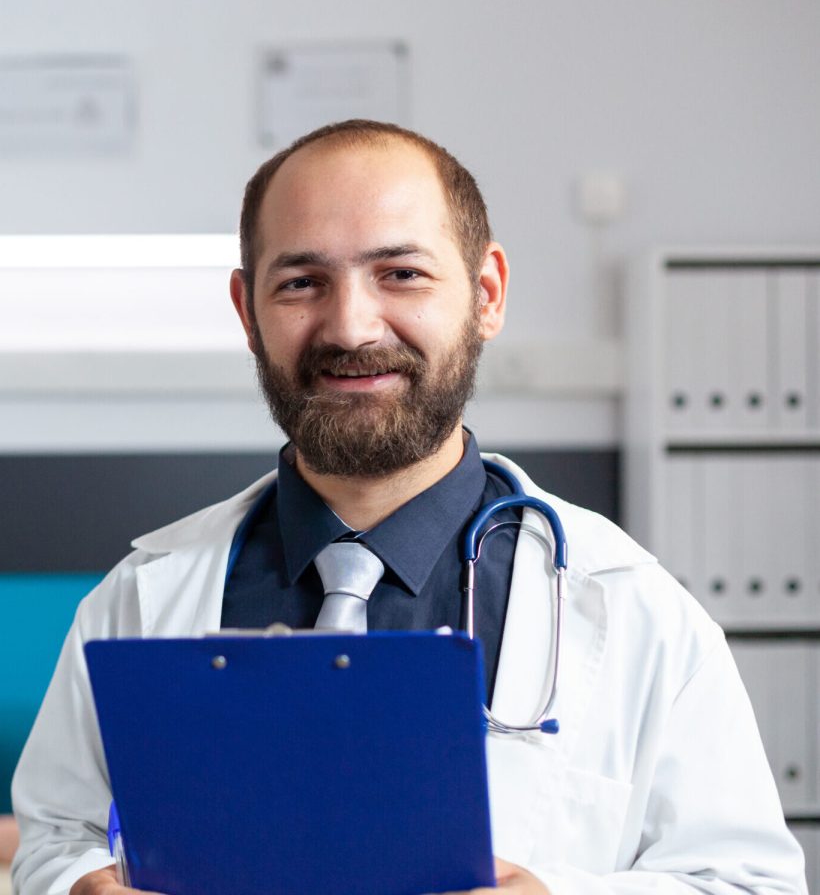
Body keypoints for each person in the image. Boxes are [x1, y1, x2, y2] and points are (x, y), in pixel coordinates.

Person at [12, 120, 806, 895]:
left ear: (486, 293)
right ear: (248, 313)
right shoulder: (141, 598)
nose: (352, 327)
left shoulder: (636, 611)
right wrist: (83, 884)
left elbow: (746, 881)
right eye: (301, 282)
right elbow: (54, 834)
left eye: (401, 274)